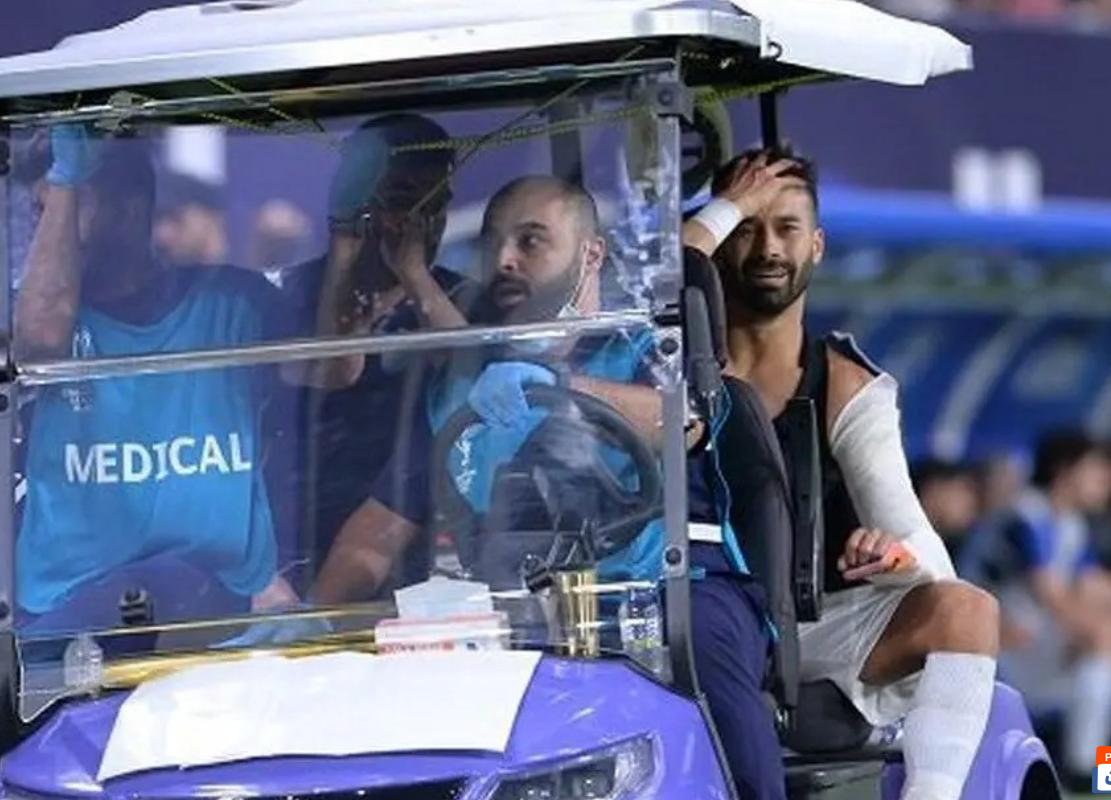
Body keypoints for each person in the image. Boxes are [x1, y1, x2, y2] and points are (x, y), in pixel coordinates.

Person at [686, 146, 999, 800]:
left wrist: (892, 556)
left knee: (967, 610)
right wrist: (723, 208)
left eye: (787, 228)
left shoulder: (847, 386)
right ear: (717, 239)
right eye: (746, 226)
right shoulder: (667, 361)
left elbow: (922, 548)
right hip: (688, 612)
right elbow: (671, 270)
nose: (768, 248)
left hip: (812, 629)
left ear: (817, 245)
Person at [310, 175, 668, 603]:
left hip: (642, 603)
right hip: (509, 613)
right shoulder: (461, 389)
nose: (503, 260)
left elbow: (681, 420)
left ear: (591, 254)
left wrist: (560, 387)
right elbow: (375, 537)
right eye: (492, 243)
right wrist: (310, 622)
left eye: (530, 242)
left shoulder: (638, 345)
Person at [13, 125, 296, 626]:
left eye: (65, 206)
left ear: (131, 211)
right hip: (68, 612)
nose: (45, 234)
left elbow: (334, 370)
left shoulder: (236, 303)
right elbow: (39, 343)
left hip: (218, 602)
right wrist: (67, 179)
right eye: (41, 212)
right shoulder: (32, 313)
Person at [276, 114, 475, 565]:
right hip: (304, 538)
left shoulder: (460, 298)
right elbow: (329, 369)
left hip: (420, 541)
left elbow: (476, 380)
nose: (423, 223)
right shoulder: (296, 291)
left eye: (436, 204)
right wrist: (343, 259)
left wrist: (415, 277)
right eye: (403, 202)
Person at [975, 430, 1111, 783]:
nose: (1104, 480)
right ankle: (1083, 767)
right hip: (1005, 643)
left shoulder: (1072, 525)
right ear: (1065, 471)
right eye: (1095, 470)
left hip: (1048, 638)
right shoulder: (1026, 515)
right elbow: (1052, 597)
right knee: (1104, 638)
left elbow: (1089, 593)